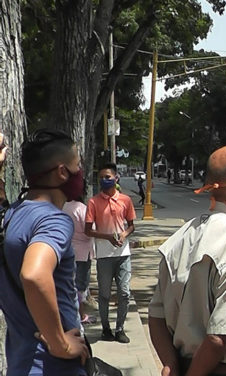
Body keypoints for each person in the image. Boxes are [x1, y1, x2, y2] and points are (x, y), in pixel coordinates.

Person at [149, 145, 226, 376]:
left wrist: (170, 365)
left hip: (182, 364)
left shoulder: (181, 237)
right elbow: (218, 338)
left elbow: (156, 316)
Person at [0, 129, 89, 375]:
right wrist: (61, 344)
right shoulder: (53, 220)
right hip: (52, 365)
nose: (80, 172)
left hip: (21, 362)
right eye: (77, 165)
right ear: (62, 172)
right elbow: (34, 276)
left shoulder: (11, 215)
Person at [85, 162, 136, 344]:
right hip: (104, 256)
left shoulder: (125, 200)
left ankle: (120, 328)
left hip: (123, 254)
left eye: (108, 177)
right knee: (104, 295)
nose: (104, 180)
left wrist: (124, 234)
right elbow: (88, 230)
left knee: (124, 293)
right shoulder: (93, 202)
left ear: (116, 178)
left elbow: (131, 226)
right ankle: (106, 329)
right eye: (101, 178)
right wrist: (107, 237)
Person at [63, 198, 96, 325]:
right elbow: (90, 231)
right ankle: (80, 316)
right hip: (82, 253)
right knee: (80, 287)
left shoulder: (62, 206)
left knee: (69, 285)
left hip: (66, 251)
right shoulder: (82, 209)